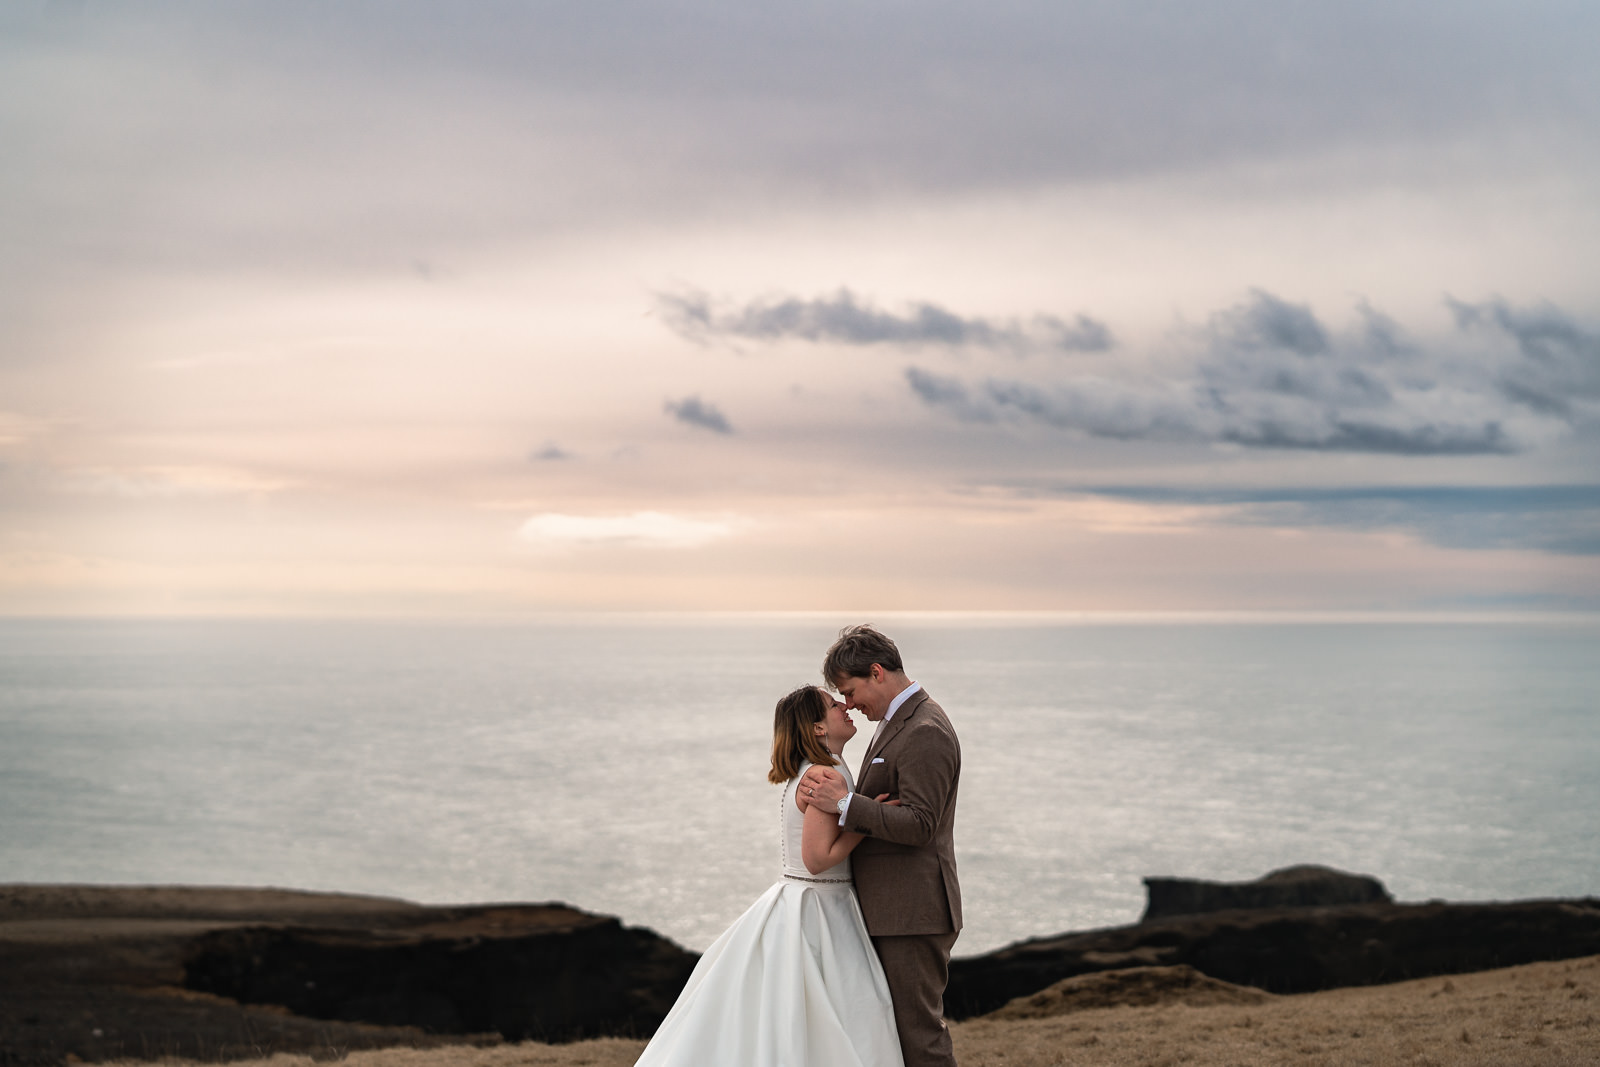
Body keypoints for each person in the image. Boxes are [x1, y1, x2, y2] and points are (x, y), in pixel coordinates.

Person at [633, 685, 905, 1067]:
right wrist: (865, 822)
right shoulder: (825, 772)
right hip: (820, 908)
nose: (845, 706)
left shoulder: (818, 767)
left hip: (811, 901)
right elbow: (816, 858)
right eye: (832, 705)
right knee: (848, 1010)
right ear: (816, 728)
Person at [799, 625, 962, 1067]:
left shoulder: (925, 729)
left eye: (850, 692)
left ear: (876, 672)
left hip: (912, 913)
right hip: (892, 911)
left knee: (918, 1037)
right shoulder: (897, 722)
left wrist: (847, 804)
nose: (848, 704)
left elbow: (921, 823)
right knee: (892, 1036)